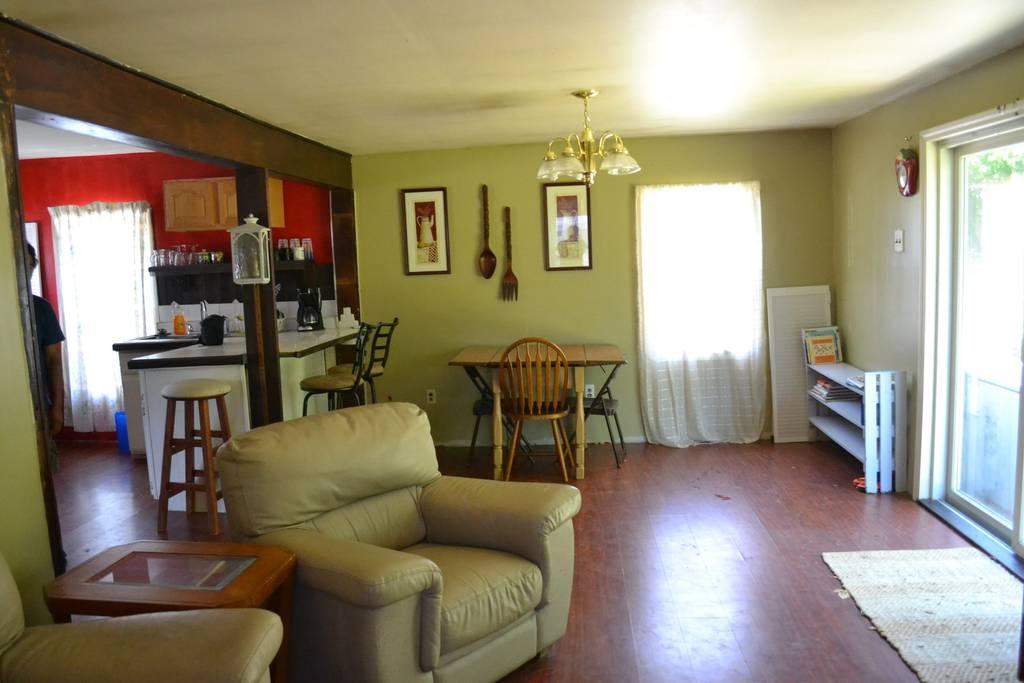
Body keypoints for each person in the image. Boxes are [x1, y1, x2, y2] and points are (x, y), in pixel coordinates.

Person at [27, 244, 65, 439]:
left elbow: (54, 361)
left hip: (38, 402)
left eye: (28, 266)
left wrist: (57, 407)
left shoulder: (42, 309)